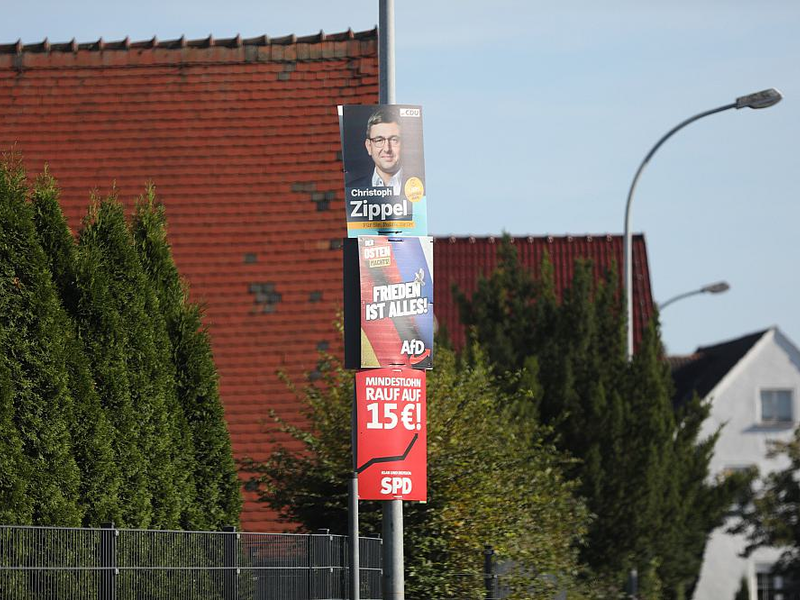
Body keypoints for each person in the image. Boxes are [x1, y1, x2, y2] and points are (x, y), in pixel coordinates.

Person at [347, 106, 403, 195]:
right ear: (369, 146)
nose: (387, 149)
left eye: (394, 140)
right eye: (379, 140)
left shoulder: (422, 186)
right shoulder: (351, 191)